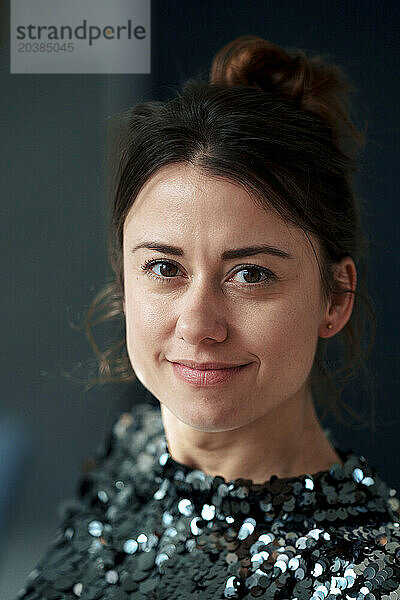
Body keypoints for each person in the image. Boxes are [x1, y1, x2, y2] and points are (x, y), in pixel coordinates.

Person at [16, 35, 399, 600]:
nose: (198, 325)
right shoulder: (136, 447)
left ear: (335, 298)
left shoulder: (372, 577)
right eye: (164, 267)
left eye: (251, 275)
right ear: (123, 282)